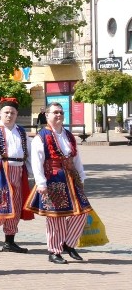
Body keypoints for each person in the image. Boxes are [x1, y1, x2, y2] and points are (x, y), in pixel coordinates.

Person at [25, 102, 92, 264]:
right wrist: (40, 182)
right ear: (46, 115)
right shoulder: (42, 136)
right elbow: (37, 161)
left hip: (71, 178)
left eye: (61, 112)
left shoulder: (68, 135)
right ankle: (54, 251)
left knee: (82, 212)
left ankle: (68, 244)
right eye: (55, 112)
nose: (59, 115)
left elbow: (75, 158)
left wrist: (81, 176)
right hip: (53, 179)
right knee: (56, 217)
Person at [0, 97, 34, 254]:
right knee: (0, 205)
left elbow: (29, 153)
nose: (9, 115)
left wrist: (31, 171)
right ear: (0, 113)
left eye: (13, 113)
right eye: (6, 112)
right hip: (0, 171)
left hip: (18, 170)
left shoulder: (21, 132)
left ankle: (10, 241)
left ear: (16, 115)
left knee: (16, 205)